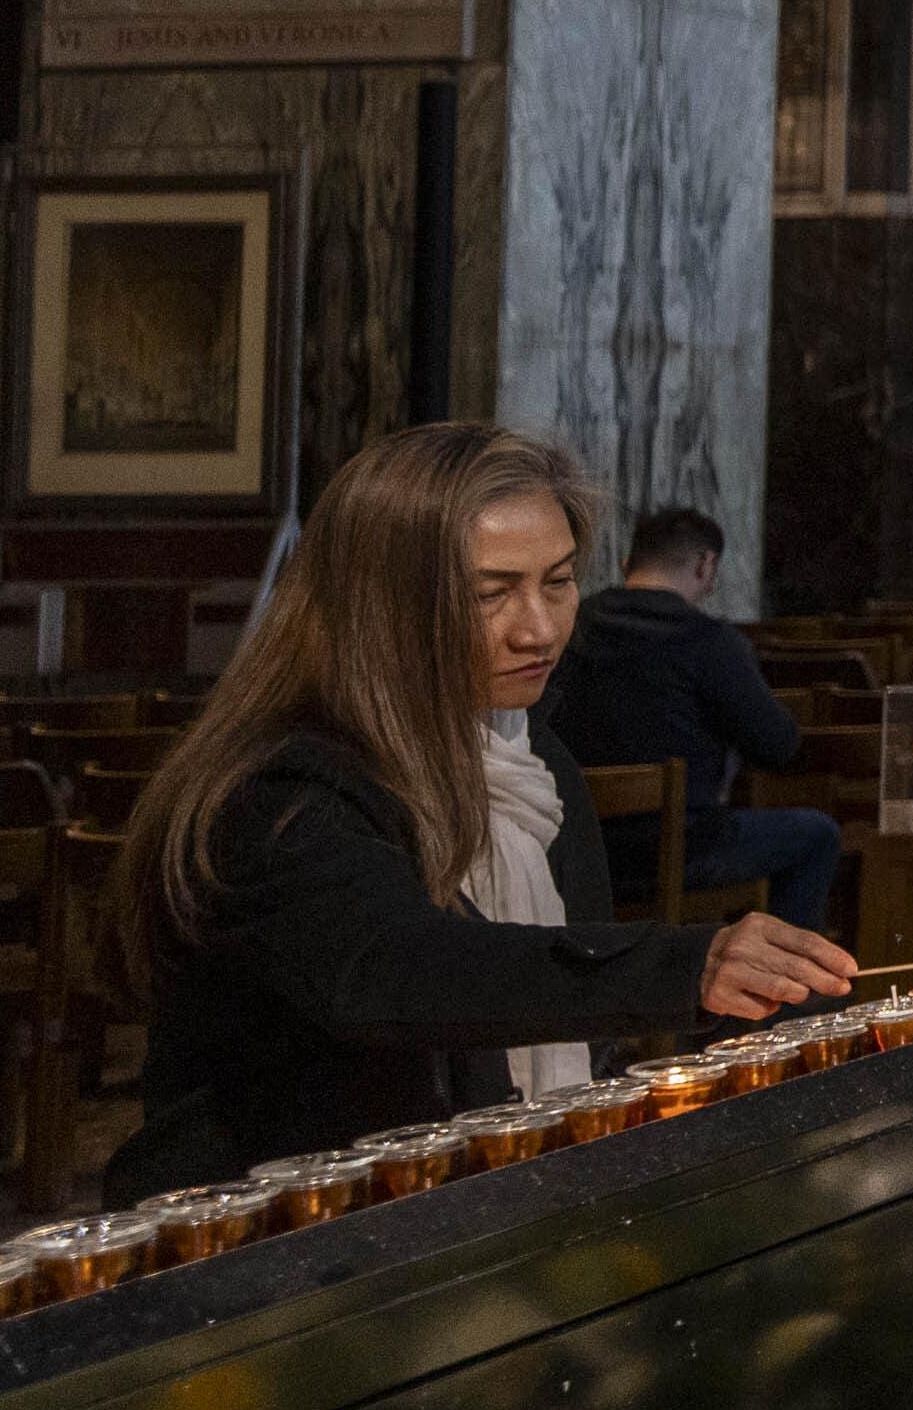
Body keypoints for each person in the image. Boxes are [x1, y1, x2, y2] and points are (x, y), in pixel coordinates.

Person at [102, 423, 855, 1190]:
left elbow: (566, 1020)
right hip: (268, 1222)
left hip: (455, 1190)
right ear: (384, 604)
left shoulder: (534, 758)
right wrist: (679, 965)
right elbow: (399, 970)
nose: (538, 629)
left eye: (559, 583)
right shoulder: (285, 786)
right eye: (491, 594)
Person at [546, 503, 845, 935]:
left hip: (575, 848)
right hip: (680, 851)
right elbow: (778, 745)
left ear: (627, 562)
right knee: (817, 834)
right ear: (706, 564)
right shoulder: (707, 640)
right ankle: (783, 991)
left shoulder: (570, 630)